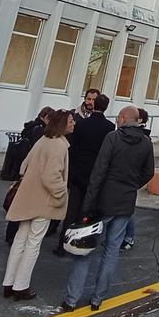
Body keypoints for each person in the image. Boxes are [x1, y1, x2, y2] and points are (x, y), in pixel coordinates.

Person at [61, 105, 155, 312]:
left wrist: (88, 204)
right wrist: (132, 186)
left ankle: (72, 298)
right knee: (112, 250)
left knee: (86, 248)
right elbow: (148, 172)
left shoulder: (113, 138)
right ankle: (98, 298)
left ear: (123, 118)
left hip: (103, 200)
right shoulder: (146, 143)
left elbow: (99, 171)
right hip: (125, 202)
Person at [2, 109, 72, 300]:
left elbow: (24, 165)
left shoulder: (43, 140)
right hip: (44, 200)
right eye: (71, 121)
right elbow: (52, 176)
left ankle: (9, 283)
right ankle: (21, 285)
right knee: (33, 243)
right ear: (62, 124)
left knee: (20, 240)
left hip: (27, 197)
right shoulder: (59, 146)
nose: (74, 124)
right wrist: (61, 193)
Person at [53, 93, 115, 255]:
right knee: (87, 209)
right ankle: (80, 241)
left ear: (94, 105)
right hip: (95, 172)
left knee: (72, 208)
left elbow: (72, 147)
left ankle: (62, 244)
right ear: (106, 107)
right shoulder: (109, 127)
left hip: (78, 170)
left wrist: (72, 167)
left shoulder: (82, 124)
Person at [5, 106, 56, 245]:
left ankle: (10, 233)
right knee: (23, 203)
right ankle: (14, 234)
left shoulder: (30, 127)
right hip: (31, 171)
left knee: (18, 201)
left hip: (23, 169)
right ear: (46, 117)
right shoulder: (40, 131)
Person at [121, 108, 152, 250]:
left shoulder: (144, 140)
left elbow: (148, 170)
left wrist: (136, 183)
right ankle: (124, 237)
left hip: (130, 181)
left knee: (128, 212)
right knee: (124, 211)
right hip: (128, 181)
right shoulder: (123, 135)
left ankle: (128, 237)